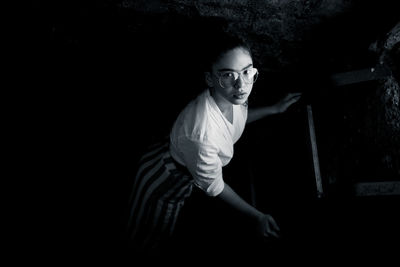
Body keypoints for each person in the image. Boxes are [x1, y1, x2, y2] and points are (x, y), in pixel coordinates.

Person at [126, 28, 302, 257]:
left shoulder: (232, 97)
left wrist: (274, 109)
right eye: (227, 75)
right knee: (146, 235)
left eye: (247, 72)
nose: (241, 85)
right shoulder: (202, 134)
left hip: (180, 155)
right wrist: (258, 216)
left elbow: (237, 120)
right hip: (165, 179)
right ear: (210, 78)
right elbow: (215, 186)